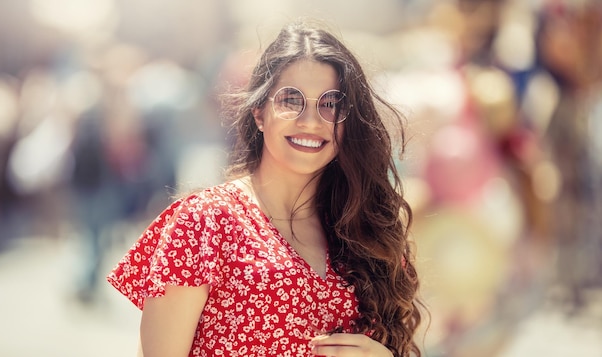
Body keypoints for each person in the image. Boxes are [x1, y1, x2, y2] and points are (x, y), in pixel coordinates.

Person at [107, 19, 424, 357]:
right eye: (291, 100)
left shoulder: (365, 231)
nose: (310, 121)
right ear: (259, 112)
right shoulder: (206, 222)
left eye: (330, 104)